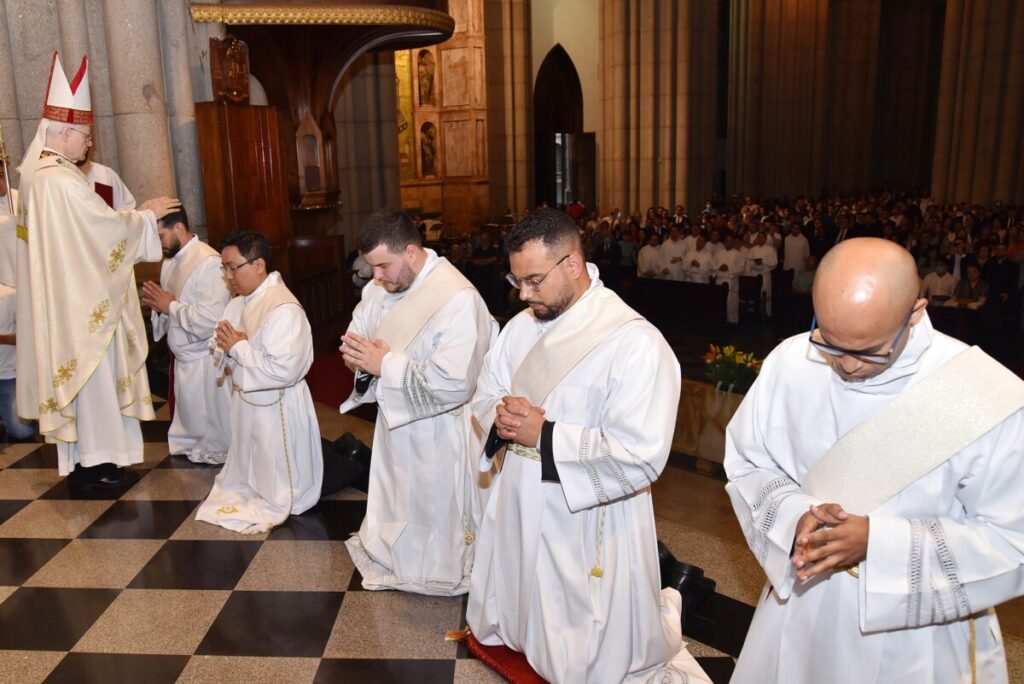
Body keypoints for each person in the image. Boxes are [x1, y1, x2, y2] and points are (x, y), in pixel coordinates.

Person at [724, 238, 1024, 683]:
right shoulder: (791, 361)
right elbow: (750, 462)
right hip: (803, 605)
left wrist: (877, 543)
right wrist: (793, 517)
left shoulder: (983, 395)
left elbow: (1012, 542)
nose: (846, 366)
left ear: (917, 311)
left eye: (867, 351)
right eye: (829, 341)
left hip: (916, 636)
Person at [466, 208, 709, 683]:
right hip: (520, 489)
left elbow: (641, 451)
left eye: (534, 280)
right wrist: (499, 414)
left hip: (584, 510)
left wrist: (547, 435)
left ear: (572, 265)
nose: (523, 293)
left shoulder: (633, 342)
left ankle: (674, 592)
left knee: (580, 627)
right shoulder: (519, 327)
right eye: (516, 280)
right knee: (522, 584)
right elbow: (485, 390)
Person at [16, 52, 179, 490]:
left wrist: (134, 219)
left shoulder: (43, 175)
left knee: (93, 389)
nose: (89, 144)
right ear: (64, 132)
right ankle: (93, 467)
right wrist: (145, 217)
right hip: (81, 304)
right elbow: (101, 229)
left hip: (74, 295)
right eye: (85, 136)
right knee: (94, 385)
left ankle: (98, 462)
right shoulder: (60, 181)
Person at [340, 208, 496, 595]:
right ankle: (399, 557)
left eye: (382, 265)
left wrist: (384, 364)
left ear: (411, 253)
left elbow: (456, 381)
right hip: (396, 424)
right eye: (371, 266)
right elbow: (356, 334)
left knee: (432, 501)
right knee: (398, 494)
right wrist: (361, 356)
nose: (375, 276)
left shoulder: (457, 298)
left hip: (441, 431)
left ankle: (439, 566)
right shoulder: (379, 289)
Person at [195, 231, 323, 533]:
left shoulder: (283, 309)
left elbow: (284, 369)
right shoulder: (240, 302)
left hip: (276, 406)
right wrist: (227, 347)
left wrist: (239, 347)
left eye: (232, 267)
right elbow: (221, 342)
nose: (227, 276)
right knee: (249, 466)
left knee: (277, 474)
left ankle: (282, 493)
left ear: (258, 265)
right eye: (223, 268)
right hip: (247, 403)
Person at [141, 208, 231, 464]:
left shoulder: (209, 262)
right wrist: (160, 307)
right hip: (184, 357)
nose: (158, 244)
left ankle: (214, 448)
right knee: (191, 416)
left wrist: (169, 305)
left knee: (210, 422)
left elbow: (211, 319)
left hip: (203, 358)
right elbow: (169, 304)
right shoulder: (170, 260)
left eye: (160, 236)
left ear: (178, 228)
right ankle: (192, 444)